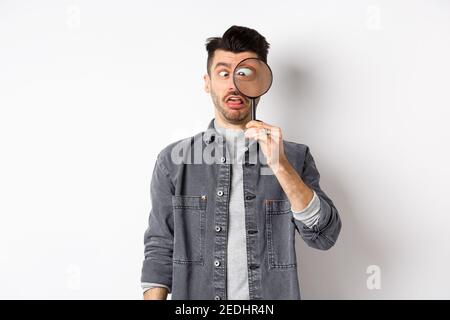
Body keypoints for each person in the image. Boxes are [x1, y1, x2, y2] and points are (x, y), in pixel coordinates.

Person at [141, 25, 341, 300]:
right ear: (207, 82)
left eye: (245, 74)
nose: (234, 85)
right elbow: (160, 246)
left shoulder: (294, 157)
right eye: (224, 73)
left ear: (261, 84)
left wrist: (280, 166)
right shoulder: (173, 162)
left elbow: (324, 236)